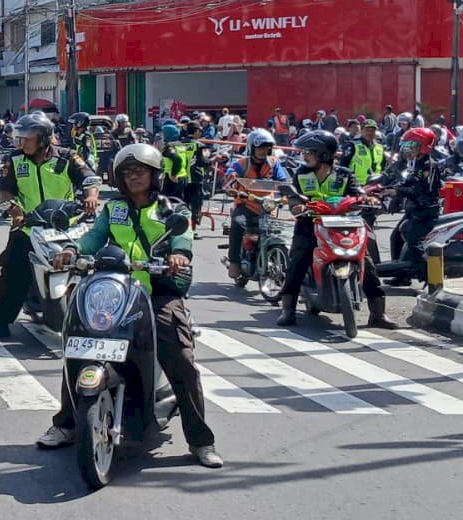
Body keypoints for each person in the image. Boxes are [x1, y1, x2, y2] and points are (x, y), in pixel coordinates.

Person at [38, 144, 222, 468]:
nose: (134, 176)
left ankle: (200, 441)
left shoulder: (170, 208)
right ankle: (66, 424)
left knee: (181, 357)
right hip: (115, 293)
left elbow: (183, 237)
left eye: (140, 171)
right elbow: (93, 239)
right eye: (127, 172)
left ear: (155, 175)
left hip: (157, 292)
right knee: (79, 346)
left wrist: (179, 255)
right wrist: (70, 249)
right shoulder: (114, 209)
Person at [0, 112, 100, 339]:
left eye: (27, 138)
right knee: (11, 270)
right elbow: (5, 188)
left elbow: (88, 177)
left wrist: (91, 196)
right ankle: (2, 320)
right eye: (20, 137)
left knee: (91, 265)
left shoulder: (67, 157)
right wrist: (13, 208)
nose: (22, 142)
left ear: (43, 138)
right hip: (29, 227)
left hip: (67, 226)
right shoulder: (15, 159)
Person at [276, 130, 396, 328]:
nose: (305, 156)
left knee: (366, 262)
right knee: (298, 258)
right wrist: (296, 205)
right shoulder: (302, 174)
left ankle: (378, 314)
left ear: (323, 154)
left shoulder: (344, 174)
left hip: (342, 225)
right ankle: (288, 309)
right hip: (310, 224)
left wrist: (369, 199)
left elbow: (358, 193)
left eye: (309, 152)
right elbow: (294, 196)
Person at [223, 129, 289, 281]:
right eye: (259, 147)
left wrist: (288, 194)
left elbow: (283, 181)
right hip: (246, 204)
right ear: (252, 147)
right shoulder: (241, 164)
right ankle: (234, 261)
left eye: (266, 148)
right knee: (238, 224)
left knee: (276, 232)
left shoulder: (274, 163)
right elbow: (229, 178)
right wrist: (231, 188)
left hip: (267, 207)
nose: (263, 151)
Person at [381, 126, 443, 284]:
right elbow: (407, 181)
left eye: (412, 145)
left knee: (415, 245)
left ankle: (431, 281)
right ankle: (402, 276)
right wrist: (386, 186)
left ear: (422, 146)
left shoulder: (429, 165)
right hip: (413, 209)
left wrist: (398, 192)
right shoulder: (415, 162)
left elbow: (421, 190)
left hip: (425, 211)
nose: (409, 149)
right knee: (395, 237)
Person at [339, 119, 388, 262]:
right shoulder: (352, 146)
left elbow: (383, 169)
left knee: (367, 224)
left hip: (374, 191)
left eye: (373, 129)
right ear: (362, 130)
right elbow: (343, 167)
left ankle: (370, 259)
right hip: (355, 190)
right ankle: (365, 258)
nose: (370, 132)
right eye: (367, 129)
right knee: (357, 225)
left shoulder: (380, 148)